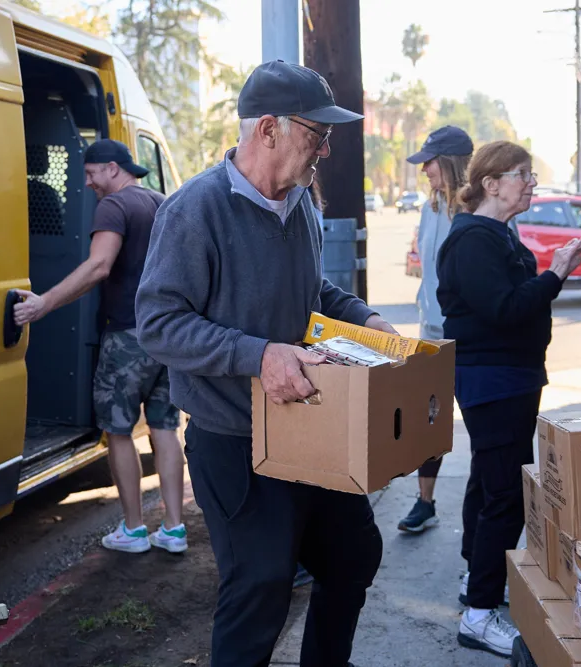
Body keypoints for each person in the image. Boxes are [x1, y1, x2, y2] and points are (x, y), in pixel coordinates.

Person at [134, 60, 395, 667]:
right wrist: (258, 356)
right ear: (268, 129)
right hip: (235, 440)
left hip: (308, 426)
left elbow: (312, 294)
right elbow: (158, 323)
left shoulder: (300, 203)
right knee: (261, 588)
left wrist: (366, 319)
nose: (325, 150)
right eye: (316, 134)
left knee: (352, 556)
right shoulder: (194, 210)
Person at [435, 140, 581, 656]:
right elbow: (504, 309)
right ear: (491, 183)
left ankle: (477, 580)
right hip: (494, 381)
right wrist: (556, 274)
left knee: (489, 483)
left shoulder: (496, 234)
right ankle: (479, 614)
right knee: (505, 495)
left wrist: (551, 275)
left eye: (530, 175)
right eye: (522, 175)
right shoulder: (473, 241)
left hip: (509, 379)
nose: (530, 184)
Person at [14, 139, 188, 555]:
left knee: (119, 431)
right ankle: (174, 528)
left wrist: (44, 304)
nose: (88, 182)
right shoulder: (161, 201)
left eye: (91, 173)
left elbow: (99, 265)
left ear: (112, 168)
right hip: (166, 335)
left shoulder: (114, 206)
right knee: (165, 429)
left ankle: (134, 529)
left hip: (127, 336)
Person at [396, 125, 473, 534]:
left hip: (471, 341)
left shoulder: (479, 211)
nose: (424, 169)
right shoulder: (429, 208)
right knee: (429, 418)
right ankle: (424, 503)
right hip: (431, 335)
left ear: (451, 163)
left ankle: (484, 512)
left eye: (430, 162)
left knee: (477, 424)